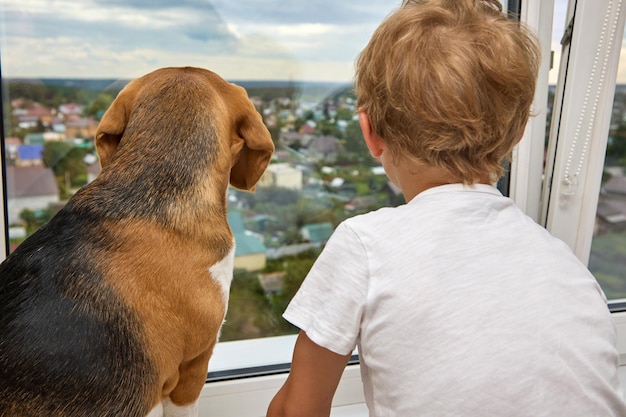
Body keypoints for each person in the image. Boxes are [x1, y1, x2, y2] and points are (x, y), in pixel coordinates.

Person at [266, 0, 626, 416]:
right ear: (519, 133)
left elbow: (299, 409)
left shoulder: (365, 244)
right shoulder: (566, 265)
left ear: (370, 133)